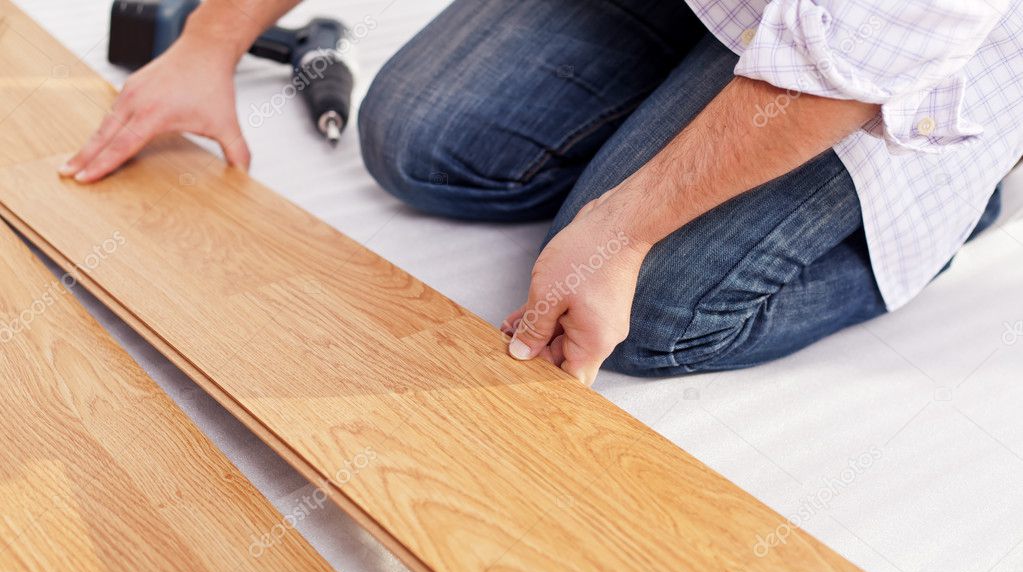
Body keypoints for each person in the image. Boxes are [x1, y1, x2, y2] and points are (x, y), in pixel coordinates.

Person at [61, 0, 1020, 386]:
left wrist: (624, 226)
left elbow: (858, 53)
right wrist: (211, 42)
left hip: (893, 49)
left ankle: (965, 196)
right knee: (421, 143)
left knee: (653, 314)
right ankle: (678, 98)